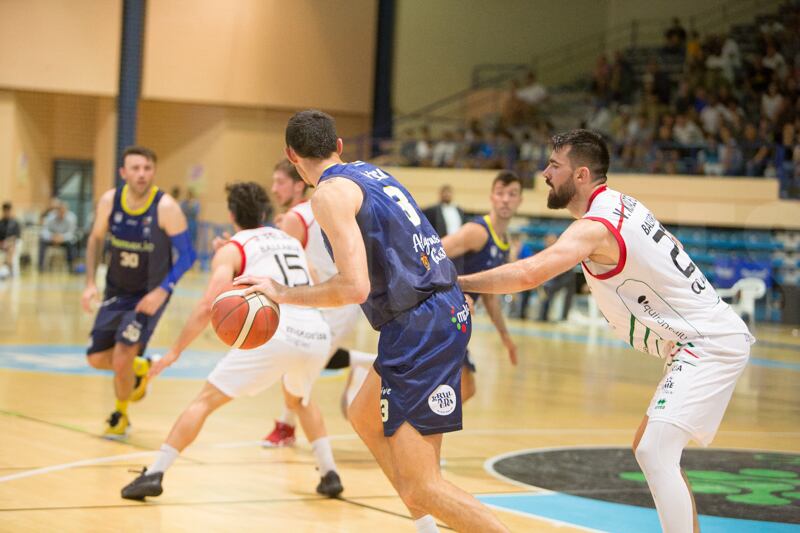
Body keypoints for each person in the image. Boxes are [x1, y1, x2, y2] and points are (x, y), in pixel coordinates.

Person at [459, 129, 753, 533]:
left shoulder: (596, 226)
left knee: (655, 452)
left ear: (580, 175)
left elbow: (529, 273)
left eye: (554, 166)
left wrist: (456, 283)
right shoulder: (620, 204)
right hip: (694, 339)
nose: (544, 173)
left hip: (707, 342)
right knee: (650, 449)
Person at [238, 110, 508, 532]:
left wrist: (282, 292)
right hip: (431, 312)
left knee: (424, 487)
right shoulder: (369, 172)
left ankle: (424, 501)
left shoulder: (327, 197)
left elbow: (354, 288)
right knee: (364, 415)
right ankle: (425, 521)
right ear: (339, 146)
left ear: (291, 155)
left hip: (421, 325)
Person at [120, 182, 343, 500]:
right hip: (315, 333)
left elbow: (207, 306)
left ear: (231, 215)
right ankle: (329, 472)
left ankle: (155, 473)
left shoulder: (232, 248)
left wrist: (173, 352)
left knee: (204, 400)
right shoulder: (289, 240)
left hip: (276, 332)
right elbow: (315, 281)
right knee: (300, 401)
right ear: (266, 213)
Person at [81, 146, 196, 438]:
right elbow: (95, 241)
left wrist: (163, 290)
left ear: (153, 171)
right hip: (117, 290)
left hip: (149, 294)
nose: (141, 174)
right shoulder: (110, 201)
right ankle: (140, 368)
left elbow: (187, 256)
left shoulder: (166, 207)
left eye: (147, 168)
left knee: (121, 356)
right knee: (95, 358)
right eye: (135, 168)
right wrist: (90, 283)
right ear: (123, 173)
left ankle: (120, 415)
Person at [262, 159, 377, 447]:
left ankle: (289, 430)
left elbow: (278, 266)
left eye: (280, 182)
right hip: (344, 300)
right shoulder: (336, 205)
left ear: (299, 184)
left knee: (298, 370)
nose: (274, 189)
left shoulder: (297, 217)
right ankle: (363, 362)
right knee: (301, 364)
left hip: (326, 300)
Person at [441, 171, 521, 402]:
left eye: (512, 194)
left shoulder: (503, 244)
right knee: (452, 390)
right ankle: (412, 432)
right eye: (500, 193)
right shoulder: (477, 232)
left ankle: (416, 432)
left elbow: (490, 296)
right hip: (441, 315)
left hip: (458, 321)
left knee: (465, 389)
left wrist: (506, 338)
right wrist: (456, 295)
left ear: (520, 200)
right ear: (492, 198)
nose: (506, 199)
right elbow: (430, 255)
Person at [39, 200, 78, 272]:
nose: (61, 213)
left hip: (65, 240)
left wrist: (61, 237)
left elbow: (71, 233)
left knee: (72, 243)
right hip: (52, 238)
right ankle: (41, 266)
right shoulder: (50, 217)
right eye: (60, 211)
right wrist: (52, 236)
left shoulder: (72, 217)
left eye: (63, 211)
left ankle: (71, 267)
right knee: (42, 241)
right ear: (57, 211)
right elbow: (44, 231)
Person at [0, 202, 21, 277]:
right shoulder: (1, 222)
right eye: (5, 211)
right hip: (2, 244)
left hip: (12, 244)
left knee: (11, 248)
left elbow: (17, 236)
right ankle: (4, 269)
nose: (7, 213)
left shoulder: (15, 223)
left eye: (8, 211)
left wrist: (8, 242)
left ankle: (7, 269)